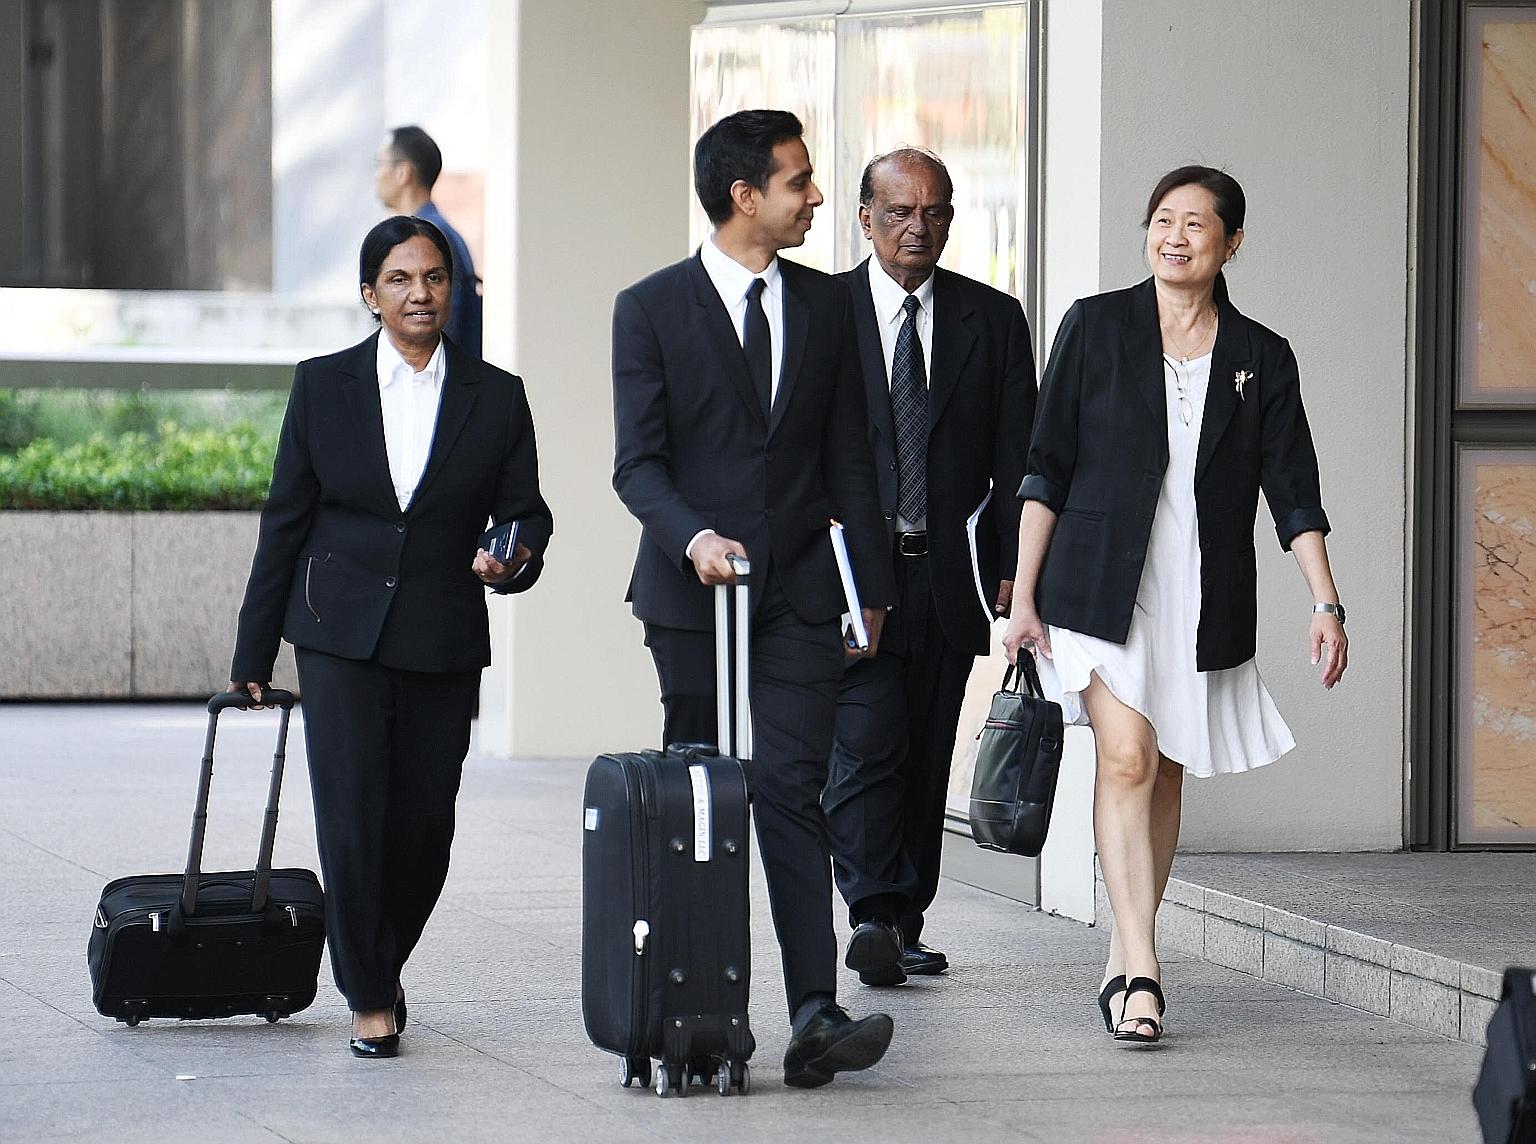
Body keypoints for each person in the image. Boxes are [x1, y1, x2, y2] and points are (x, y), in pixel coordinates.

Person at [1002, 165, 1348, 1045]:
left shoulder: (1260, 355)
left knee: (1168, 767)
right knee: (1125, 757)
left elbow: (1292, 488)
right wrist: (1024, 596)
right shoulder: (1095, 326)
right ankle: (1146, 969)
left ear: (1231, 243)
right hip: (1098, 581)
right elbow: (1046, 466)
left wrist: (1325, 601)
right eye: (1163, 219)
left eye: (1197, 223)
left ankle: (1125, 947)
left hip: (1203, 590)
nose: (1176, 235)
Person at [611, 109, 899, 1088]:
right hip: (692, 598)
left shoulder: (826, 307)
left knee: (787, 788)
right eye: (799, 181)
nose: (816, 197)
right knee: (699, 791)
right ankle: (693, 1009)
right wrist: (693, 535)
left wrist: (872, 587)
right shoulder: (650, 308)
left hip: (802, 599)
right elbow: (636, 464)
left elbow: (851, 457)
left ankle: (814, 1009)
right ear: (744, 196)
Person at [228, 216, 553, 1059]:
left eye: (435, 278)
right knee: (351, 815)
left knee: (423, 825)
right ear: (370, 296)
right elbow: (285, 522)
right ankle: (369, 992)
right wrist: (253, 655)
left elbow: (527, 512)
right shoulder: (323, 385)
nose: (421, 294)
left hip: (442, 634)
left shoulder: (497, 394)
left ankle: (381, 952)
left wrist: (512, 558)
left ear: (453, 290)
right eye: (402, 280)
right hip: (337, 635)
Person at [822, 148, 1036, 986]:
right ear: (865, 217)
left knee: (923, 755)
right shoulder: (822, 312)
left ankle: (903, 922)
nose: (919, 227)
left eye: (936, 212)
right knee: (866, 743)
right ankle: (872, 908)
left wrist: (1017, 566)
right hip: (853, 576)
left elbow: (1021, 457)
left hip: (947, 574)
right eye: (900, 211)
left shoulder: (994, 318)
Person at [375, 125, 483, 359]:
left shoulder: (429, 239)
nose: (376, 175)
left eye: (380, 164)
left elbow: (444, 327)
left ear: (403, 173)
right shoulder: (442, 231)